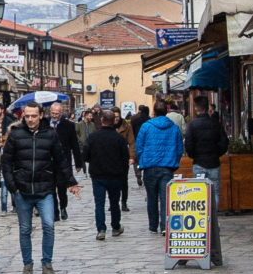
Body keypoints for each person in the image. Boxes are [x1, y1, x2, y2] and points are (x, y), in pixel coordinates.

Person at [2, 101, 72, 274]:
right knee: (25, 229)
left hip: (45, 188)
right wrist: (12, 186)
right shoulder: (16, 135)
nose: (31, 119)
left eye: (34, 115)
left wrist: (70, 181)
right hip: (22, 190)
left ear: (41, 115)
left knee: (48, 225)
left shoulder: (50, 135)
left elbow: (61, 159)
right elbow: (6, 162)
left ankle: (47, 265)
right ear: (23, 116)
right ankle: (27, 265)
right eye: (27, 116)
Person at [185, 95, 229, 266]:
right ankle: (213, 218)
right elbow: (224, 142)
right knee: (215, 191)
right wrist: (217, 153)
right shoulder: (215, 124)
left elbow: (188, 144)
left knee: (200, 194)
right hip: (213, 162)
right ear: (207, 107)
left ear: (196, 108)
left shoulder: (193, 125)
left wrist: (194, 155)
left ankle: (204, 218)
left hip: (199, 163)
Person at [135, 101, 185, 236]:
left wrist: (143, 160)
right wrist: (174, 162)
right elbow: (179, 148)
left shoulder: (146, 127)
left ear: (154, 112)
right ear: (166, 112)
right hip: (167, 167)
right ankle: (165, 226)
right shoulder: (174, 128)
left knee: (151, 197)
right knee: (165, 198)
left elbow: (139, 146)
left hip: (150, 166)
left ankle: (153, 226)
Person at [82, 106, 129, 239]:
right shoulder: (119, 139)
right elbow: (125, 159)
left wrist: (93, 160)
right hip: (115, 175)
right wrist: (122, 173)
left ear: (101, 120)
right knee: (114, 203)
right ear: (114, 121)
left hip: (98, 175)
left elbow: (85, 156)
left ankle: (101, 229)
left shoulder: (93, 137)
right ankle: (115, 227)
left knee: (99, 203)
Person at [47, 101, 79, 221]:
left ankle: (63, 208)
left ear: (61, 113)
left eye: (57, 113)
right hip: (48, 162)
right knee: (51, 189)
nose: (54, 115)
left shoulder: (68, 125)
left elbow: (74, 144)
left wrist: (78, 162)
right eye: (53, 113)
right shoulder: (45, 124)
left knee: (61, 187)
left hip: (62, 161)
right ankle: (54, 211)